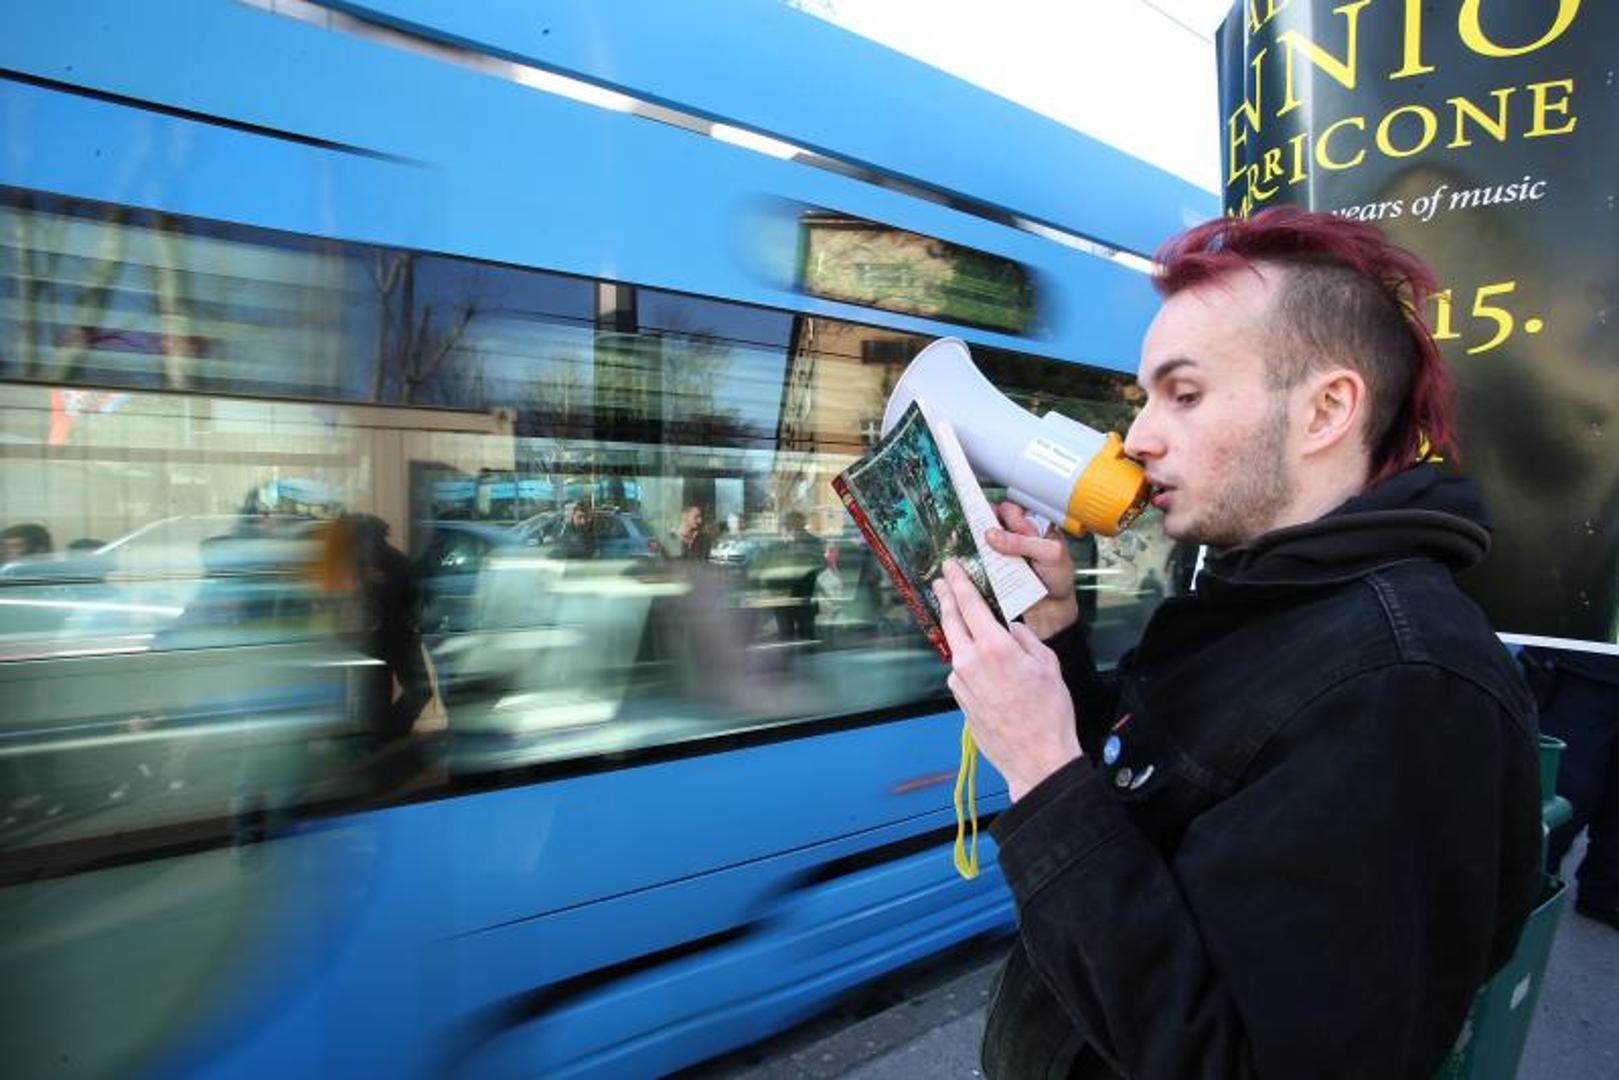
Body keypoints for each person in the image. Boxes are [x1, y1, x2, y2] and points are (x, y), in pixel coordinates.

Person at [931, 207, 1542, 1079]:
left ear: (1325, 409)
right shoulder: (1256, 597)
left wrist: (1039, 769)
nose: (1137, 437)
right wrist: (1055, 638)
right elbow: (1143, 799)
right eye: (1146, 398)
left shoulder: (1404, 686)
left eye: (1182, 395)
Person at [1523, 645, 1619, 931]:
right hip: (1583, 667)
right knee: (1565, 793)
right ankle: (1526, 885)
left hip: (1587, 665)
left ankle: (1604, 891)